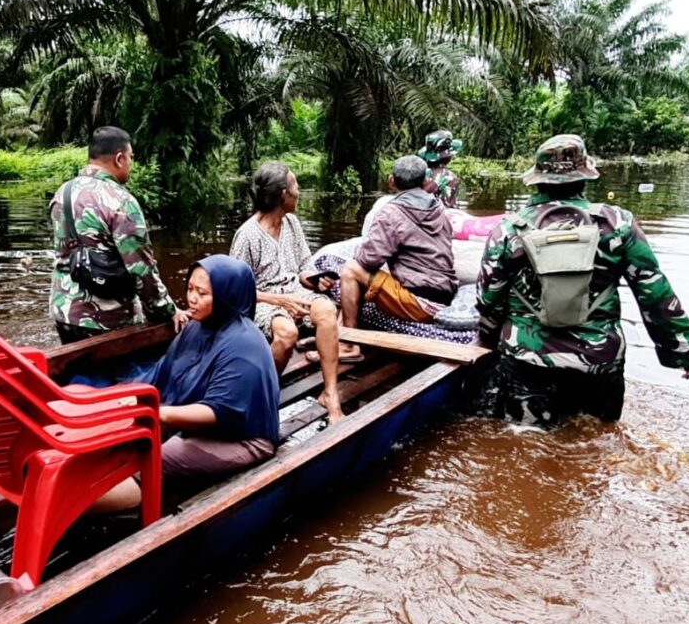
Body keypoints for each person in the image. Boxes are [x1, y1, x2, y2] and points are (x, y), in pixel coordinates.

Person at [476, 134, 689, 427]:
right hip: (599, 359)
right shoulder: (618, 224)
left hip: (528, 359)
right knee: (599, 442)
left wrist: (488, 339)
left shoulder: (508, 230)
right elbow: (654, 293)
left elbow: (489, 298)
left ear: (537, 179)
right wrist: (686, 352)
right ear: (585, 178)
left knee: (527, 444)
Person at [92, 255, 280, 511]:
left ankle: (78, 506)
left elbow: (218, 412)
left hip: (241, 439)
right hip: (193, 421)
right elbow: (163, 373)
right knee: (120, 433)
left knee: (153, 459)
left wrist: (159, 413)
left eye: (202, 293)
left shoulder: (244, 344)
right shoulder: (197, 328)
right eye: (190, 289)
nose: (192, 298)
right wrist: (126, 397)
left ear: (226, 296)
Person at [229, 162, 353, 424]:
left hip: (295, 293)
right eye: (296, 186)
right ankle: (263, 396)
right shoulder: (247, 235)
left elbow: (303, 269)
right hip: (264, 301)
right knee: (287, 333)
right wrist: (279, 300)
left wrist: (315, 281)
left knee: (327, 311)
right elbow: (237, 291)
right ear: (283, 194)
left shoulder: (293, 224)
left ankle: (330, 394)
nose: (299, 192)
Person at [49, 126, 188, 344]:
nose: (130, 164)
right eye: (130, 158)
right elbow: (141, 269)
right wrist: (167, 310)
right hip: (106, 319)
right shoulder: (121, 201)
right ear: (119, 158)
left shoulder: (63, 192)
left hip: (64, 312)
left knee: (81, 375)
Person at [339, 155, 458, 330]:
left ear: (391, 181)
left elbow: (368, 260)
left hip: (420, 303)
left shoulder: (391, 213)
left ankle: (348, 342)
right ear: (425, 181)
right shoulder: (439, 208)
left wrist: (361, 250)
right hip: (445, 296)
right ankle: (339, 332)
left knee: (351, 269)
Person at [418, 129, 463, 208]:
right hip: (440, 212)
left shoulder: (419, 173)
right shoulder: (450, 176)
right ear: (448, 158)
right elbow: (450, 204)